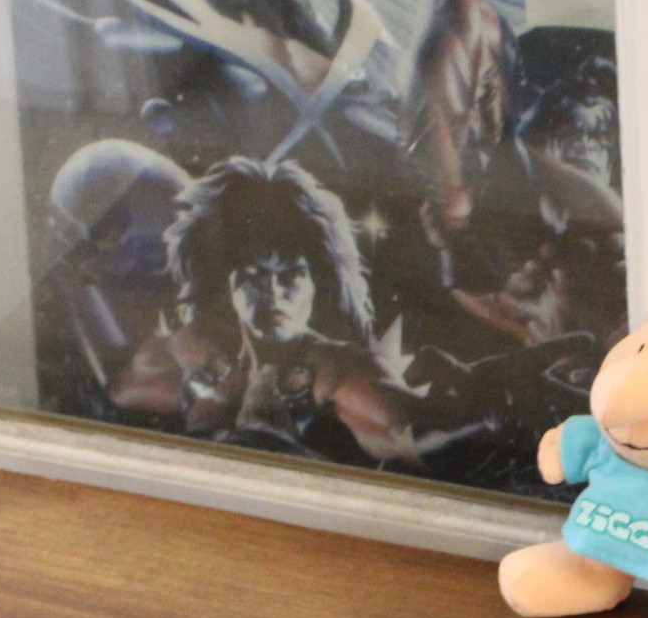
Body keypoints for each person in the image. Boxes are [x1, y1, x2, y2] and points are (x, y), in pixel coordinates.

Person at [109, 158, 419, 469]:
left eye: (289, 276)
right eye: (254, 275)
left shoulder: (341, 373)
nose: (272, 292)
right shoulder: (188, 356)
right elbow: (110, 405)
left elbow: (418, 436)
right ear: (228, 282)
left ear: (316, 283)